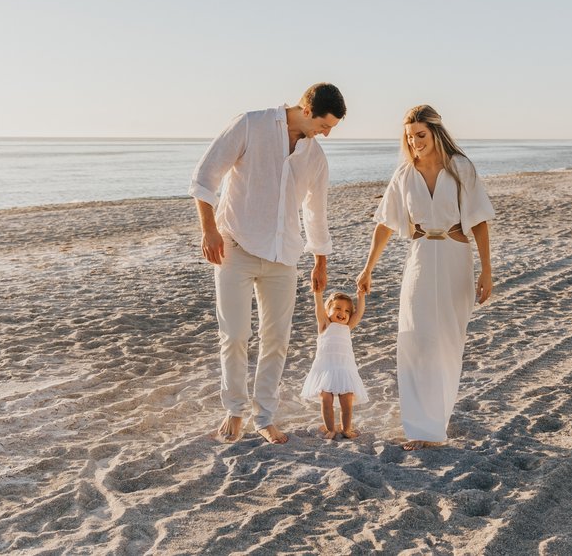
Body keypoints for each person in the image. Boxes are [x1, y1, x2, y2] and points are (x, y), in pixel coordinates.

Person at [190, 83, 346, 444]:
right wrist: (208, 230)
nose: (326, 134)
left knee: (276, 339)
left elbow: (315, 212)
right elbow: (205, 176)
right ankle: (233, 411)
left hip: (284, 255)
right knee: (234, 335)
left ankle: (264, 416)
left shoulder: (315, 157)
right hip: (235, 246)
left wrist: (320, 260)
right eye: (324, 126)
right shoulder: (250, 125)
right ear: (307, 110)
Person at [356, 105, 494, 451]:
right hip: (419, 259)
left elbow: (478, 221)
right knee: (416, 340)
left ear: (435, 132)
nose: (415, 142)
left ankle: (437, 423)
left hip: (455, 258)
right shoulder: (404, 174)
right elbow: (386, 223)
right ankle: (420, 428)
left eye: (420, 135)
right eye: (409, 137)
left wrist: (487, 270)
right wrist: (368, 267)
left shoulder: (461, 169)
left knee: (446, 343)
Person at [300, 288, 369, 439]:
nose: (342, 313)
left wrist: (361, 296)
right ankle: (330, 428)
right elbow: (318, 307)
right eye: (337, 308)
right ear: (328, 310)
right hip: (326, 369)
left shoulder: (347, 327)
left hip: (345, 368)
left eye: (346, 311)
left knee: (347, 402)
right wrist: (317, 293)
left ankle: (346, 429)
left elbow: (359, 314)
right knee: (326, 400)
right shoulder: (325, 324)